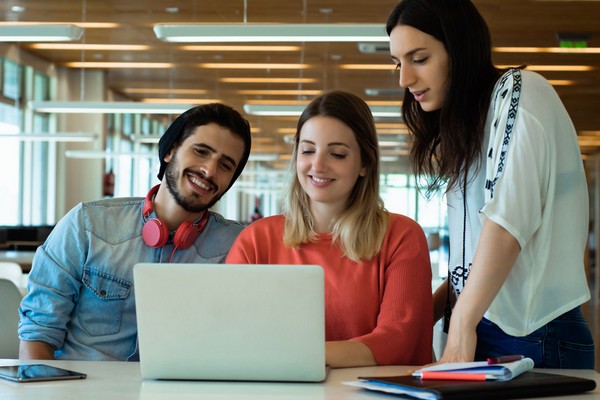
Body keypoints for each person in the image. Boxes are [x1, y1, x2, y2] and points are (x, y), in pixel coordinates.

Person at [386, 0, 594, 368]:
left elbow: (507, 224)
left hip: (531, 333)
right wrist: (417, 318)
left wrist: (463, 321)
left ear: (460, 49)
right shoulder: (466, 130)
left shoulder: (519, 90)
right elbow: (471, 258)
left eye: (419, 59)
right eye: (397, 63)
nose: (404, 79)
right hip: (480, 324)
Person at [18, 103, 252, 361]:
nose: (209, 170)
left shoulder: (238, 245)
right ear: (170, 151)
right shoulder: (88, 224)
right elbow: (38, 333)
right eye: (201, 151)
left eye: (226, 165)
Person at [226, 90, 433, 368]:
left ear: (364, 164)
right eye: (308, 150)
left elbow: (396, 342)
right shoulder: (255, 240)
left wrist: (287, 355)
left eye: (337, 154)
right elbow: (232, 336)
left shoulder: (401, 236)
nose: (318, 165)